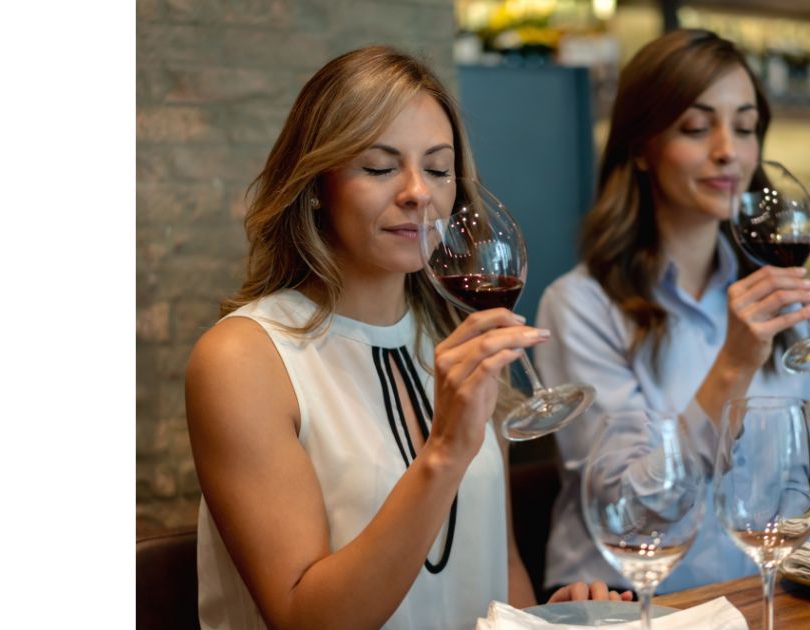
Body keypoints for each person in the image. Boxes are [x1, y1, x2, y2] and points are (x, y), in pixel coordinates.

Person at [185, 45, 627, 630]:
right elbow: (303, 618)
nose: (419, 192)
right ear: (317, 184)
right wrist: (443, 453)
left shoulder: (450, 340)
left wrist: (546, 620)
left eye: (439, 169)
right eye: (379, 166)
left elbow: (500, 568)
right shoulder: (243, 359)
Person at [534, 29, 810, 595]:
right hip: (632, 606)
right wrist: (732, 367)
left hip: (763, 601)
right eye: (697, 128)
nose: (728, 150)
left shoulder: (773, 291)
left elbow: (803, 489)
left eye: (745, 128)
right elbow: (630, 513)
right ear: (641, 148)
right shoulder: (580, 305)